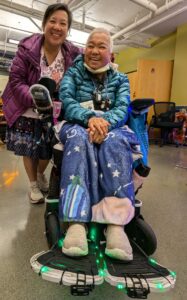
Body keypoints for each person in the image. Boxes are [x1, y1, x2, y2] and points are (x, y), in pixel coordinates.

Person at [58, 28, 142, 261]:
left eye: (101, 46)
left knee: (115, 142)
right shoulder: (73, 72)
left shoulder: (120, 79)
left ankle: (116, 225)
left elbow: (123, 108)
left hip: (109, 127)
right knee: (78, 138)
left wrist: (102, 124)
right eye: (90, 45)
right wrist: (89, 120)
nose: (94, 51)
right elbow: (66, 100)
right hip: (77, 122)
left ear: (111, 53)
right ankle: (76, 222)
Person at [2, 3, 81, 204]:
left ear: (68, 29)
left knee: (48, 148)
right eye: (52, 21)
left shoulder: (72, 53)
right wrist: (36, 100)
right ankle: (33, 185)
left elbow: (80, 76)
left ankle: (40, 174)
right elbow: (16, 80)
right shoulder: (27, 47)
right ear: (44, 23)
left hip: (55, 111)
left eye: (63, 23)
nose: (57, 27)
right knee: (29, 148)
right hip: (27, 107)